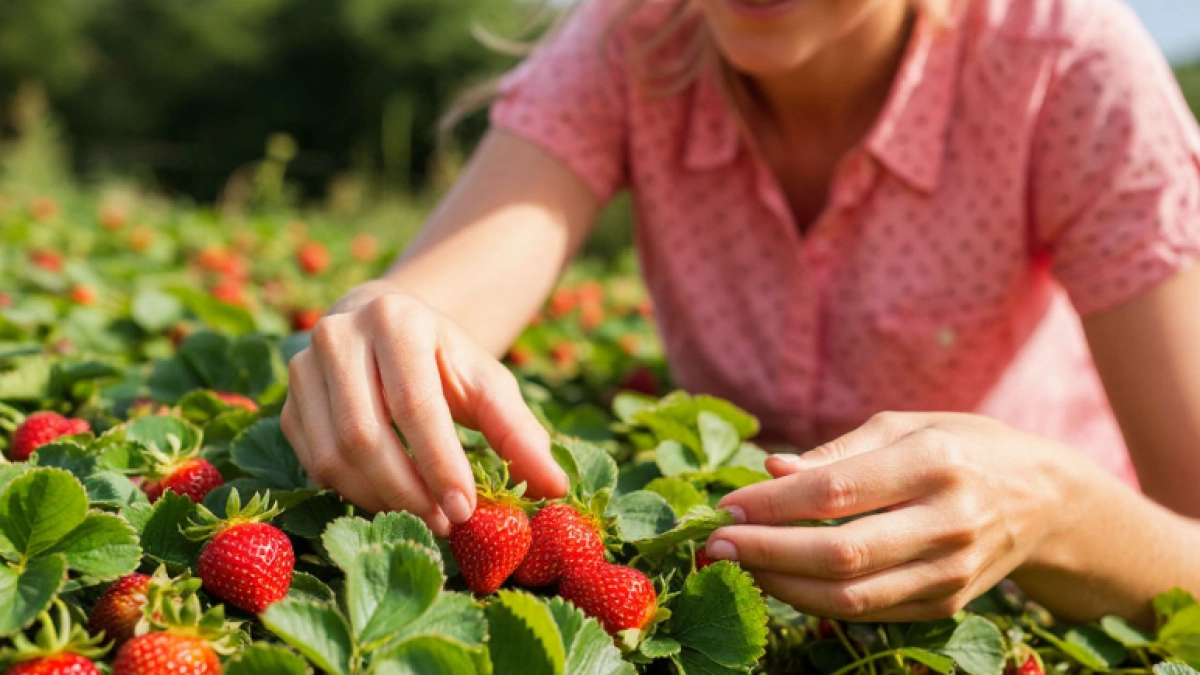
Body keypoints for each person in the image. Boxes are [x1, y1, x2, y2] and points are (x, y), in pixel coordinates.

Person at [280, 0, 1200, 625]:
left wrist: (1053, 508)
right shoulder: (637, 33)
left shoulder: (1069, 70)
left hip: (1030, 590)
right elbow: (430, 311)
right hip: (736, 564)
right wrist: (384, 325)